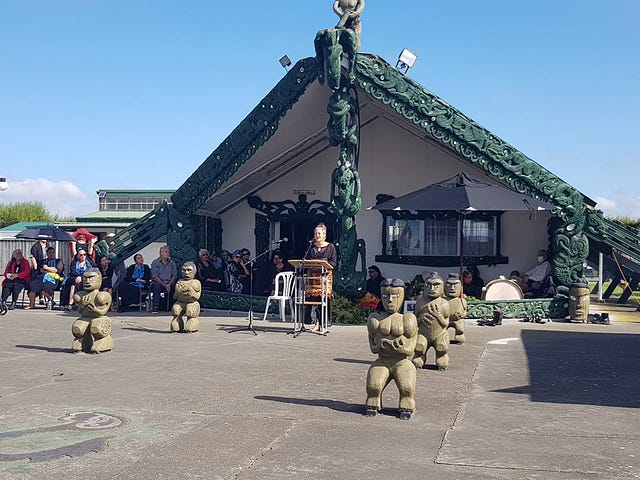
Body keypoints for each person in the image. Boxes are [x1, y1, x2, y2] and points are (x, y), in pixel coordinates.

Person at [306, 223, 338, 332]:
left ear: (324, 235)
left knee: (324, 301)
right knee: (314, 301)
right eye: (315, 233)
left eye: (319, 233)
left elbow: (333, 262)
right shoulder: (311, 246)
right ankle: (316, 323)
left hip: (325, 278)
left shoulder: (330, 247)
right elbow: (307, 259)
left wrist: (325, 264)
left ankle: (324, 323)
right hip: (313, 278)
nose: (317, 235)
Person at [150, 245, 177, 313]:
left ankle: (173, 306)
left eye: (168, 252)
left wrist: (169, 284)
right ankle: (156, 306)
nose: (167, 253)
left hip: (169, 282)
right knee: (157, 286)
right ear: (161, 253)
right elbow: (155, 276)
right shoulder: (155, 263)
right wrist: (164, 285)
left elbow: (174, 275)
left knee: (176, 286)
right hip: (158, 282)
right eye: (166, 252)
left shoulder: (172, 263)